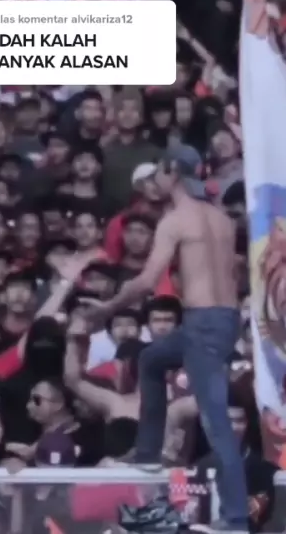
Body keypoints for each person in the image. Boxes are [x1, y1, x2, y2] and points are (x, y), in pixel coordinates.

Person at [82, 143, 249, 534]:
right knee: (152, 360)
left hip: (203, 323)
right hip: (222, 319)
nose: (155, 178)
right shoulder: (221, 217)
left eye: (159, 170)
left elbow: (145, 281)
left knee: (216, 421)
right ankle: (147, 453)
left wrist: (106, 310)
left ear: (172, 172)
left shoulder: (175, 221)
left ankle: (237, 519)